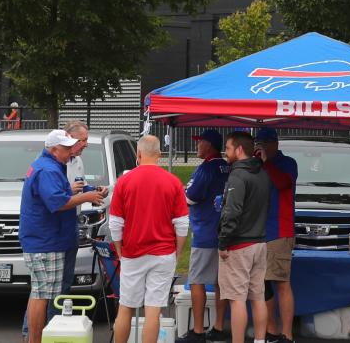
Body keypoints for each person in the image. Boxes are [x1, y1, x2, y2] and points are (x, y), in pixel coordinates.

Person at [21, 121, 107, 339]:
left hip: (50, 238)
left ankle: (40, 337)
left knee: (44, 293)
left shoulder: (53, 165)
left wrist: (86, 192)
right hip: (45, 240)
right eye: (67, 148)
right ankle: (34, 338)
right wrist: (86, 197)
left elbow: (60, 194)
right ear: (53, 149)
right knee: (42, 294)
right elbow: (57, 202)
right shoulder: (47, 169)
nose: (72, 151)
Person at [110, 135, 190, 343]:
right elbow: (182, 224)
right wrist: (178, 251)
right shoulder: (173, 181)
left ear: (138, 154)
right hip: (163, 253)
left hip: (132, 252)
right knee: (153, 310)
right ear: (159, 155)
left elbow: (115, 224)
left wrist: (119, 250)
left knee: (126, 307)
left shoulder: (124, 181)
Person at [178, 129, 232, 343]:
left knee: (197, 280)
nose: (196, 146)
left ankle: (198, 330)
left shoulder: (206, 169)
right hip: (227, 232)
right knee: (222, 282)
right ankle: (218, 327)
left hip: (206, 231)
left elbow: (189, 197)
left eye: (199, 142)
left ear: (209, 145)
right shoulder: (230, 167)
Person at [219, 131, 271, 343]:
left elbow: (232, 212)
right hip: (259, 242)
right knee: (258, 297)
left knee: (237, 299)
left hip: (238, 245)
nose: (226, 152)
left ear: (239, 150)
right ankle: (260, 340)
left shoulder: (238, 175)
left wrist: (223, 242)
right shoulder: (263, 173)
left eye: (229, 148)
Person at [256, 128, 298, 343]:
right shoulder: (258, 164)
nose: (261, 147)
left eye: (265, 143)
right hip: (258, 232)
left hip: (279, 231)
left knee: (281, 282)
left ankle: (287, 334)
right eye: (258, 143)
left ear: (275, 143)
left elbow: (283, 183)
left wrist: (266, 163)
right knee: (262, 284)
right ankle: (272, 331)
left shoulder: (287, 163)